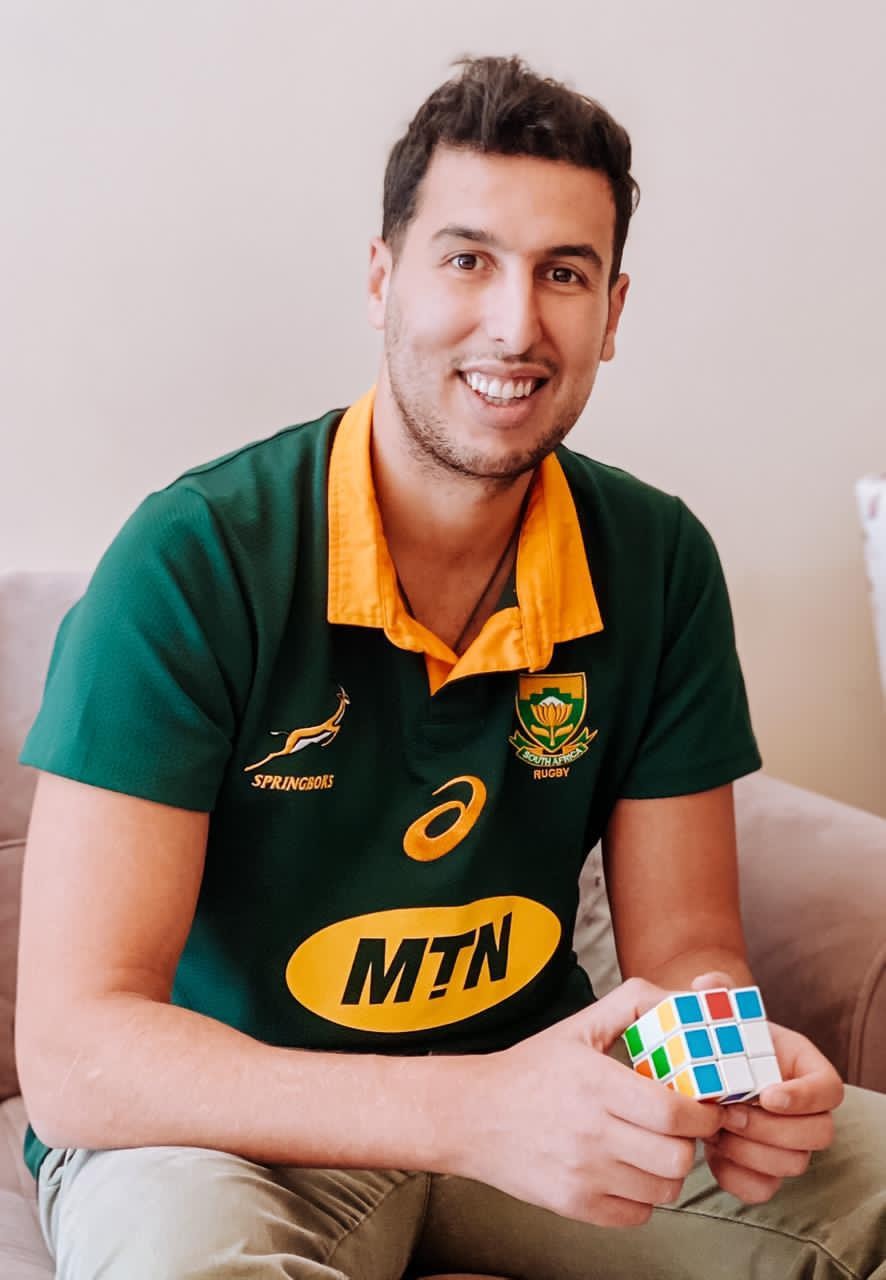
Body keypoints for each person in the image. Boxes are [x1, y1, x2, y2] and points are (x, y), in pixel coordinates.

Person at [15, 54, 885, 1280]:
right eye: (468, 258)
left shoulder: (657, 560)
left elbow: (687, 946)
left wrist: (732, 1065)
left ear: (612, 312)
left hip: (552, 1097)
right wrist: (470, 1106)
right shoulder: (194, 558)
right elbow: (75, 1050)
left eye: (563, 273)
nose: (516, 323)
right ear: (383, 279)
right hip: (221, 1131)